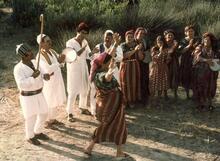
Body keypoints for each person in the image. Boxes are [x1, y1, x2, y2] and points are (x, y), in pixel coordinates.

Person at [85, 33, 127, 157]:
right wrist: (110, 71)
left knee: (108, 126)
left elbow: (108, 54)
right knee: (118, 127)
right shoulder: (100, 75)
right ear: (103, 65)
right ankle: (119, 153)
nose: (110, 62)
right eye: (108, 62)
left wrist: (116, 44)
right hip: (110, 107)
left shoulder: (98, 69)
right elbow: (107, 78)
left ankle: (90, 148)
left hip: (111, 105)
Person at [13, 43, 49, 145]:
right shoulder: (18, 68)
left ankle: (37, 131)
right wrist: (32, 77)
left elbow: (41, 72)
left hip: (39, 93)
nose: (32, 53)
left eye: (30, 50)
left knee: (44, 112)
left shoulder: (34, 61)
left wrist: (44, 75)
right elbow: (21, 84)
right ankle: (30, 136)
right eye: (29, 52)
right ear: (23, 55)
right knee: (31, 117)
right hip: (27, 96)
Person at [90, 30, 123, 116]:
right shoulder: (99, 46)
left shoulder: (117, 47)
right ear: (103, 37)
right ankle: (94, 110)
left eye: (109, 38)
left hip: (113, 69)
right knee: (95, 90)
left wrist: (113, 53)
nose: (107, 39)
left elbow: (120, 57)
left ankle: (112, 110)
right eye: (106, 37)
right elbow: (94, 59)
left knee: (113, 89)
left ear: (112, 39)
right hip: (100, 71)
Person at [36, 34, 66, 128]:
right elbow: (47, 69)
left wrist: (62, 60)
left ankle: (52, 119)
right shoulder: (40, 56)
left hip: (57, 78)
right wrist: (58, 63)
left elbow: (60, 63)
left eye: (50, 40)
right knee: (49, 100)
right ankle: (47, 122)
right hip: (49, 82)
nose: (50, 43)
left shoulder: (52, 51)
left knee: (55, 99)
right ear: (41, 44)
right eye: (47, 41)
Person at [65, 22, 94, 122]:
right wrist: (84, 48)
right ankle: (70, 113)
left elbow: (88, 55)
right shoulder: (69, 42)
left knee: (85, 88)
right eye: (82, 32)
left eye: (85, 33)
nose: (83, 35)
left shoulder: (85, 42)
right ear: (78, 31)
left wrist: (93, 52)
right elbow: (74, 55)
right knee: (73, 91)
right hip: (74, 68)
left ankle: (83, 107)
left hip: (83, 67)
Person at [192, 33, 219, 111]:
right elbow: (197, 57)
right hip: (201, 71)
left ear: (211, 41)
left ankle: (210, 104)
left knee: (211, 87)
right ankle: (201, 104)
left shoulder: (214, 49)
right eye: (205, 39)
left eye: (208, 39)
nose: (206, 41)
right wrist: (206, 60)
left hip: (212, 72)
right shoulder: (200, 47)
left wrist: (216, 62)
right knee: (201, 87)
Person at [120, 30, 143, 108]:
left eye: (131, 37)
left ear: (133, 38)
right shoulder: (123, 45)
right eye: (128, 37)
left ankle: (132, 101)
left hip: (134, 66)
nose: (129, 38)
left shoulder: (137, 44)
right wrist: (135, 50)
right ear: (125, 37)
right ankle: (124, 101)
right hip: (125, 66)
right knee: (124, 83)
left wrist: (139, 50)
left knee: (134, 83)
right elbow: (124, 56)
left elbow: (141, 57)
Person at [178, 25, 200, 99]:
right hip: (185, 61)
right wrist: (189, 45)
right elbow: (181, 51)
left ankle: (195, 94)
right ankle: (187, 94)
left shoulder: (198, 39)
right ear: (185, 33)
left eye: (192, 31)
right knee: (186, 77)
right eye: (189, 31)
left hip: (195, 60)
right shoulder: (183, 40)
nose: (190, 33)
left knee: (195, 77)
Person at [134, 27, 151, 106]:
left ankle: (145, 98)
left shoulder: (145, 41)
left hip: (144, 63)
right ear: (137, 33)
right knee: (137, 80)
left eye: (143, 34)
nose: (142, 35)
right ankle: (137, 98)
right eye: (140, 33)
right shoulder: (133, 42)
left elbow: (148, 50)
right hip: (135, 64)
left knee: (145, 79)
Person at [164, 29, 179, 98]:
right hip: (165, 62)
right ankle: (165, 94)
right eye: (168, 35)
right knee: (165, 76)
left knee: (175, 76)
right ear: (165, 37)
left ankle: (175, 93)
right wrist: (174, 46)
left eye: (171, 35)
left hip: (174, 62)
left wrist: (175, 46)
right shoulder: (163, 44)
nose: (170, 36)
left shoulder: (176, 43)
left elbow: (178, 53)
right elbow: (169, 52)